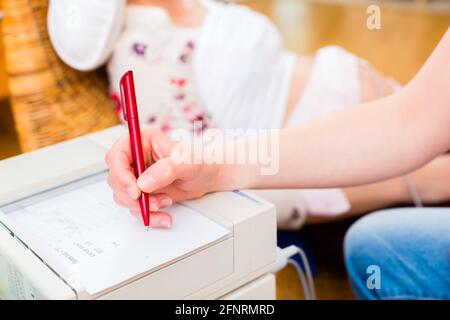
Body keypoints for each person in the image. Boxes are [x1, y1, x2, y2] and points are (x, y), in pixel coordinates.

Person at [105, 26, 450, 299]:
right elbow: (409, 122)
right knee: (376, 245)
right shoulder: (137, 41)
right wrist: (213, 168)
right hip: (372, 160)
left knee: (378, 250)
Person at [49, 0, 450, 228]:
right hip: (387, 164)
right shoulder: (141, 52)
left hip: (405, 129)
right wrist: (424, 179)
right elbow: (195, 158)